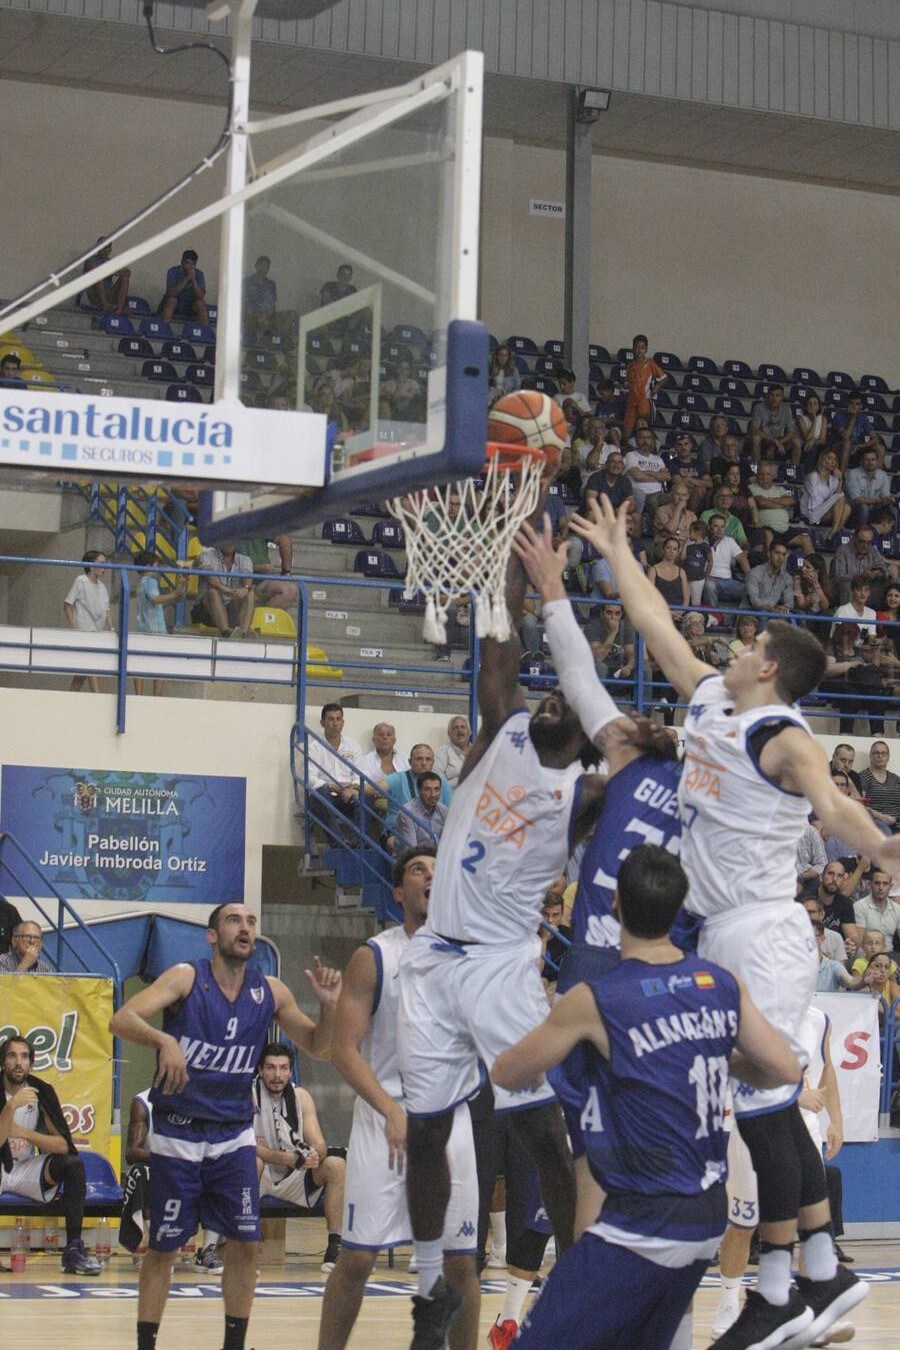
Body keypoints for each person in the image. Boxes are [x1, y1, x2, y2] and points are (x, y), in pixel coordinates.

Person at [568, 495, 900, 1349]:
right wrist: (615, 550)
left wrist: (889, 850)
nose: (740, 647)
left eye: (754, 647)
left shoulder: (786, 736)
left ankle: (795, 1284)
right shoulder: (715, 698)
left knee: (762, 1105)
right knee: (764, 1107)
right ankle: (815, 1275)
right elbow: (657, 628)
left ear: (774, 672)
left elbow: (836, 810)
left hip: (762, 927)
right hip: (718, 927)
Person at [396, 524, 607, 1349]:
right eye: (550, 693)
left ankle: (576, 1271)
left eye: (569, 703)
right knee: (423, 1129)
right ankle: (425, 1285)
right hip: (433, 959)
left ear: (584, 729)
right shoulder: (503, 726)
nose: (553, 699)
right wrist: (506, 567)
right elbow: (501, 647)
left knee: (539, 1134)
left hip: (501, 969)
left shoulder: (582, 795)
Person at [491, 845, 803, 1350]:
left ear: (614, 903)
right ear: (682, 909)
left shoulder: (597, 998)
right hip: (705, 1217)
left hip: (643, 1219)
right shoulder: (721, 983)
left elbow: (508, 1072)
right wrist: (714, 1058)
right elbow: (784, 1069)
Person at [108, 902, 341, 1350]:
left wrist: (329, 1009)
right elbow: (122, 1018)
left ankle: (234, 1344)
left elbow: (318, 1046)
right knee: (163, 1248)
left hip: (232, 1134)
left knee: (246, 1243)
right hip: (178, 1132)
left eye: (251, 922)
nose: (246, 928)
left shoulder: (270, 991)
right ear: (212, 935)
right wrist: (162, 1039)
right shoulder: (185, 977)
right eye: (235, 920)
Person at [318, 846, 479, 1350]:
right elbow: (342, 1050)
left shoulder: (471, 953)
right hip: (383, 1118)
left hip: (450, 1119)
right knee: (358, 1258)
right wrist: (391, 1108)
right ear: (397, 891)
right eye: (418, 869)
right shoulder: (375, 956)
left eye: (437, 869)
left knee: (460, 1260)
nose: (430, 876)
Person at [713, 1006, 850, 1340]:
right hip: (753, 1127)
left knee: (812, 1224)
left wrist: (837, 1118)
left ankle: (812, 1313)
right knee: (743, 1224)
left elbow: (827, 1068)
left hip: (805, 1130)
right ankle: (729, 1303)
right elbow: (733, 1069)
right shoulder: (754, 1010)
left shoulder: (820, 1018)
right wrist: (795, 1096)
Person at [0, 1036, 102, 1274]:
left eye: (24, 1057)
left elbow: (63, 1145)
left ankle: (74, 1251)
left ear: (31, 1063)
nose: (19, 1063)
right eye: (12, 1056)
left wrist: (24, 1133)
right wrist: (11, 1105)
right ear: (3, 1062)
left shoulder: (42, 1091)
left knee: (73, 1164)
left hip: (24, 1167)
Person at [253, 1042, 346, 1272]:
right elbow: (244, 1147)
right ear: (260, 1070)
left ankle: (336, 1246)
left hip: (294, 1178)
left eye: (283, 1068)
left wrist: (314, 1155)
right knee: (250, 1161)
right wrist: (287, 1158)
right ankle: (244, 1247)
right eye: (271, 1068)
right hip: (260, 1176)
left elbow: (319, 1142)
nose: (277, 1075)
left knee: (335, 1164)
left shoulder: (301, 1096)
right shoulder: (247, 1095)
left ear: (290, 1071)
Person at [120, 1089, 224, 1273]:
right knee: (142, 1173)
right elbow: (131, 1153)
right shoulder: (143, 1103)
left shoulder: (204, 1102)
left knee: (219, 1172)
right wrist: (169, 1158)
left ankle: (207, 1250)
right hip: (159, 1167)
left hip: (194, 1168)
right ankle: (159, 1250)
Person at [305, 703, 364, 838]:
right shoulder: (314, 747)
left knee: (367, 798)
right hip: (325, 795)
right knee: (320, 793)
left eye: (338, 719)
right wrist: (331, 786)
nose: (335, 723)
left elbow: (359, 774)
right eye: (331, 719)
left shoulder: (353, 746)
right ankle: (338, 842)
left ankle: (358, 841)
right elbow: (309, 777)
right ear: (322, 722)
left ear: (343, 723)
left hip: (348, 794)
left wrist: (352, 788)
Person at [133, 550, 185, 697]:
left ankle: (139, 695)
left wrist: (175, 594)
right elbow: (156, 599)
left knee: (140, 662)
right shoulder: (150, 581)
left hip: (143, 628)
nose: (157, 569)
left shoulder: (141, 583)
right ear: (149, 566)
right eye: (156, 565)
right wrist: (174, 594)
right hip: (155, 629)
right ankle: (157, 696)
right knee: (159, 663)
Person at [64, 549, 113, 694]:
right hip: (85, 632)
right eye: (101, 563)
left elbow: (107, 611)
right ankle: (96, 695)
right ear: (91, 566)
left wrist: (111, 630)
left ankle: (70, 696)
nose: (105, 567)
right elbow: (68, 604)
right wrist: (73, 626)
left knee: (82, 671)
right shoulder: (81, 581)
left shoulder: (102, 587)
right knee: (91, 663)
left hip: (97, 633)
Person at [193, 541, 255, 639]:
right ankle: (227, 633)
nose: (229, 542)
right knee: (212, 591)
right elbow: (212, 579)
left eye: (233, 539)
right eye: (226, 539)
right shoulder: (206, 556)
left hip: (231, 607)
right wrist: (229, 591)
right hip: (205, 611)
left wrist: (245, 589)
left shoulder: (245, 559)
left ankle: (244, 633)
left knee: (250, 593)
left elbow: (248, 581)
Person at [622, 334, 667, 440]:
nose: (639, 350)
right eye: (637, 347)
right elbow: (628, 383)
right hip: (631, 402)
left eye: (642, 347)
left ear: (646, 349)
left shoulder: (650, 363)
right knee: (627, 432)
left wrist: (657, 386)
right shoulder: (630, 366)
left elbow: (664, 378)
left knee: (645, 429)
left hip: (644, 401)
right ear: (633, 348)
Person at [394, 772, 448, 850]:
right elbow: (411, 850)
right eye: (427, 789)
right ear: (419, 790)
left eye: (436, 789)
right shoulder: (407, 814)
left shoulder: (444, 810)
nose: (433, 795)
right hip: (411, 859)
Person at [750, 383, 801, 463]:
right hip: (764, 440)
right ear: (767, 396)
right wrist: (774, 441)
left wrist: (777, 443)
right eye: (772, 395)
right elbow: (755, 430)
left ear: (782, 398)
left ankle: (794, 470)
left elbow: (791, 432)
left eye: (778, 396)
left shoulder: (786, 409)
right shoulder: (759, 407)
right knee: (756, 438)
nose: (774, 398)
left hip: (780, 440)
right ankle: (756, 467)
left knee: (797, 441)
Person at [81, 236, 130, 314]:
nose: (105, 251)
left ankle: (119, 309)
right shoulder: (90, 261)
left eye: (107, 247)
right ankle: (105, 306)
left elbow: (127, 272)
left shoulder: (111, 262)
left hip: (108, 294)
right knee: (98, 278)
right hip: (93, 295)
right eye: (103, 247)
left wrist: (115, 271)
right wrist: (112, 271)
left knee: (124, 278)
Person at [844, 447, 893, 526]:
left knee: (893, 509)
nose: (870, 462)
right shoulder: (852, 474)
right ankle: (862, 535)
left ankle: (891, 538)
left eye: (873, 459)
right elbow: (857, 500)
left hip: (874, 511)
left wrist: (888, 499)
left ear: (877, 461)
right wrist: (879, 500)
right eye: (867, 460)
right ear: (861, 462)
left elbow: (885, 496)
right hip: (854, 512)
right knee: (863, 507)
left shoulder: (882, 475)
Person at [859, 741, 900, 832]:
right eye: (876, 753)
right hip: (877, 824)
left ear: (888, 757)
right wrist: (882, 817)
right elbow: (860, 805)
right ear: (870, 756)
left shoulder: (896, 779)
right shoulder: (863, 777)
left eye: (883, 753)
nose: (880, 756)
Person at [160, 248, 209, 324]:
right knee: (172, 301)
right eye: (187, 263)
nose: (190, 266)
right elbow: (170, 293)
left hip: (190, 306)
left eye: (193, 264)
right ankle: (164, 330)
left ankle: (204, 333)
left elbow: (201, 296)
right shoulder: (172, 271)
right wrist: (185, 279)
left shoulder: (199, 274)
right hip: (174, 304)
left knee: (201, 304)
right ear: (182, 262)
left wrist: (194, 281)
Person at [853, 870, 900, 948]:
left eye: (885, 884)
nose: (881, 887)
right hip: (867, 953)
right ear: (870, 885)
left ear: (890, 887)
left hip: (890, 954)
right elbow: (860, 941)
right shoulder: (859, 906)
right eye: (877, 883)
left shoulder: (897, 909)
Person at [745, 540, 794, 612]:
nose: (780, 557)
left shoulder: (787, 578)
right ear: (769, 554)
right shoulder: (755, 572)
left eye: (783, 554)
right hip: (751, 613)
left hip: (773, 614)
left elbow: (789, 603)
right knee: (763, 613)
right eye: (777, 553)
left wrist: (785, 608)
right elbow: (755, 602)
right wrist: (773, 609)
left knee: (798, 615)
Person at [647, 536, 689, 608]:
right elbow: (650, 596)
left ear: (678, 552)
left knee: (696, 618)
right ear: (663, 549)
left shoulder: (681, 572)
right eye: (668, 548)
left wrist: (680, 612)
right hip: (659, 611)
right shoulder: (653, 570)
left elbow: (686, 599)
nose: (671, 551)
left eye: (675, 549)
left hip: (679, 612)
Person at [242, 255, 277, 335]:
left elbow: (272, 304)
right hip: (251, 316)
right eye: (261, 265)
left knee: (289, 316)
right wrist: (258, 317)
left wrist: (266, 318)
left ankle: (271, 339)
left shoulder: (271, 285)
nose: (263, 269)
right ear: (256, 266)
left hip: (267, 316)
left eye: (266, 266)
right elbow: (246, 303)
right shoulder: (247, 282)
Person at [434, 716, 471, 788]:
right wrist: (464, 779)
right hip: (452, 795)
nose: (459, 730)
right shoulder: (443, 751)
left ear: (469, 732)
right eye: (455, 728)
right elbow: (437, 781)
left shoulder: (478, 751)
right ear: (449, 734)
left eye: (463, 727)